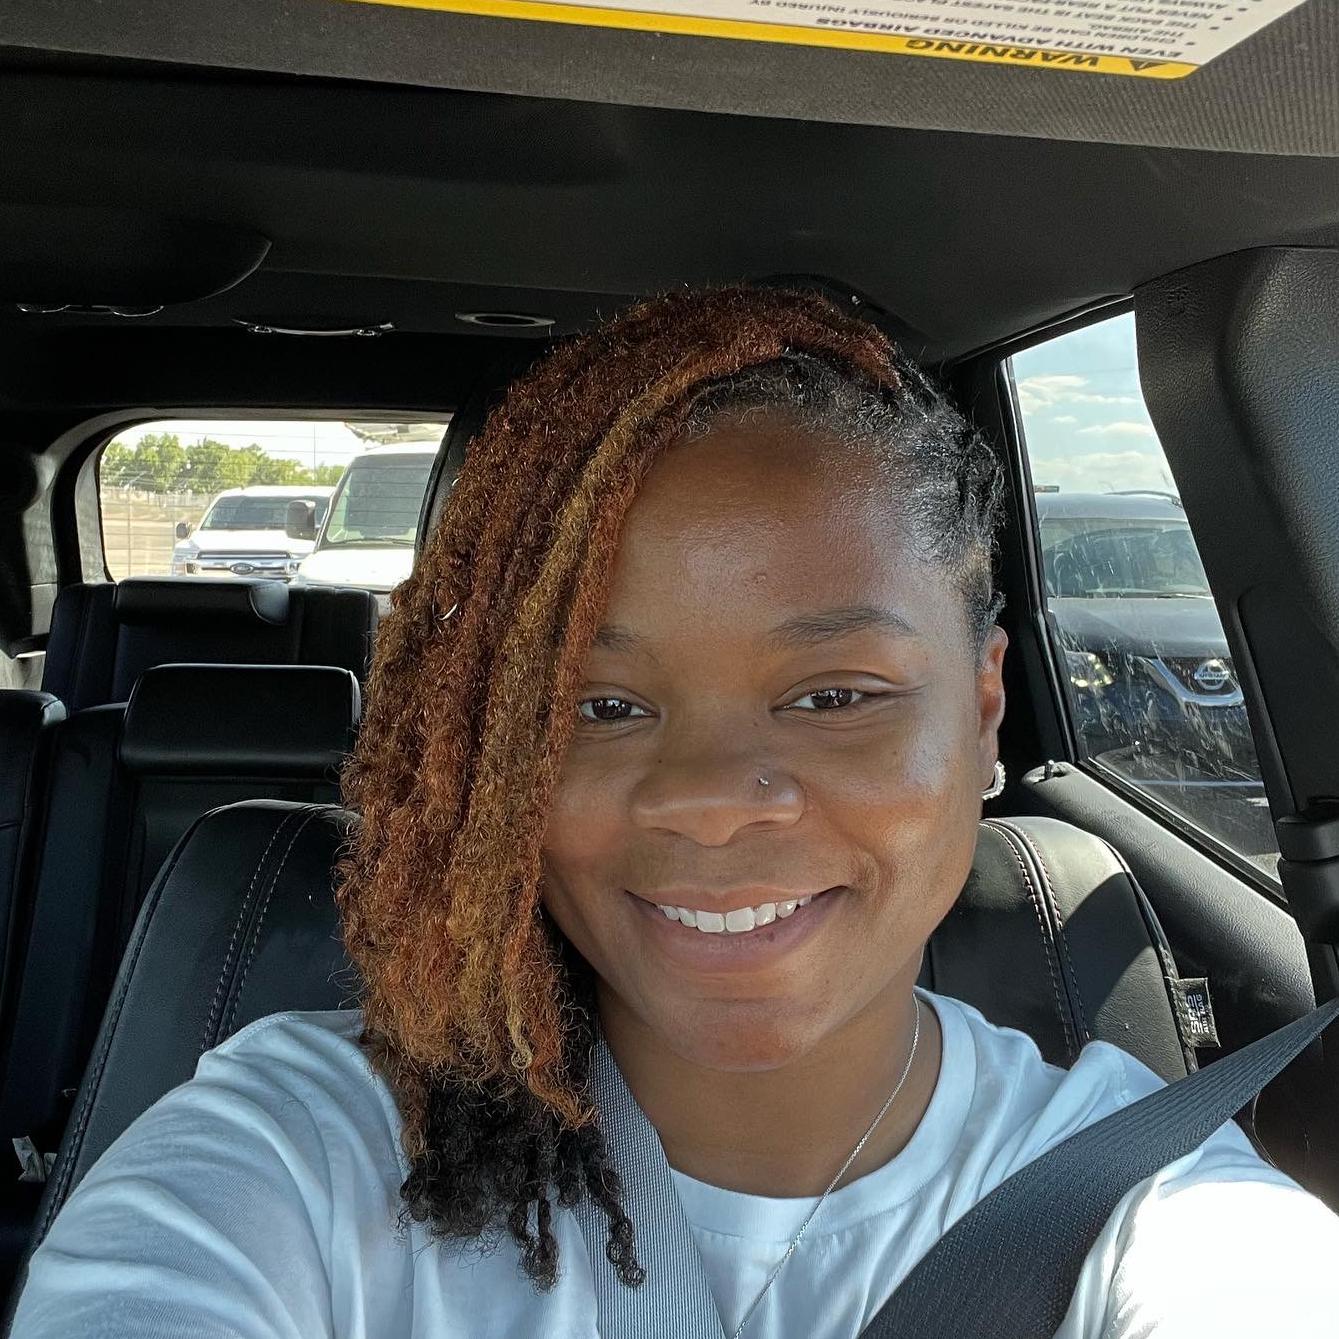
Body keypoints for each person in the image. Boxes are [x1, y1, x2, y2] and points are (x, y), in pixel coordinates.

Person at [12, 286, 1339, 1338]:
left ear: (986, 708)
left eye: (834, 695)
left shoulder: (1148, 1197)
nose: (709, 801)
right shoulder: (298, 1153)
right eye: (599, 706)